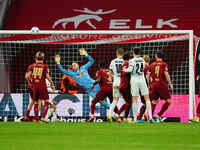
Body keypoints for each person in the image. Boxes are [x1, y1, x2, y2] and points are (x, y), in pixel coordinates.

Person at [124, 47, 154, 122]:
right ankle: (150, 117)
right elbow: (144, 68)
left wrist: (124, 70)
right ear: (139, 53)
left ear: (133, 53)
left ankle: (135, 118)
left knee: (134, 99)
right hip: (142, 80)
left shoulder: (131, 60)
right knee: (147, 98)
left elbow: (130, 69)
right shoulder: (143, 60)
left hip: (135, 80)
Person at [25, 51, 55, 122]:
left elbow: (27, 76)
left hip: (34, 86)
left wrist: (30, 82)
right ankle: (43, 117)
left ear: (35, 58)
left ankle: (35, 118)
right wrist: (52, 84)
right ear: (43, 58)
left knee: (35, 101)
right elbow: (47, 76)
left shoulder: (31, 66)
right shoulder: (45, 66)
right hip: (42, 85)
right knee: (46, 101)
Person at [149, 51, 173, 122]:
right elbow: (166, 74)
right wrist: (170, 83)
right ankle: (159, 115)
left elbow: (148, 76)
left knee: (154, 101)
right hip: (161, 84)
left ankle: (150, 117)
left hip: (153, 84)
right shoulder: (164, 64)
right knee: (168, 101)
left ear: (156, 56)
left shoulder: (152, 64)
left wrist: (149, 84)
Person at [108, 48, 124, 121]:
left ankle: (109, 115)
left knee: (115, 100)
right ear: (123, 54)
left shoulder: (113, 61)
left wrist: (111, 79)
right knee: (125, 100)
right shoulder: (125, 61)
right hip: (123, 82)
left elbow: (110, 72)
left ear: (117, 53)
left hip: (116, 82)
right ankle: (121, 116)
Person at [115, 52, 132, 122]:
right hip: (125, 86)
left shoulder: (123, 65)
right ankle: (118, 114)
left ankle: (124, 117)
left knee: (128, 102)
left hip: (122, 85)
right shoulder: (128, 64)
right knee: (129, 102)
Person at [137, 55, 151, 121]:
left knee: (145, 103)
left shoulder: (140, 66)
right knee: (147, 102)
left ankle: (141, 116)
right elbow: (148, 76)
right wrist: (149, 85)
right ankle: (144, 116)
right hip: (144, 86)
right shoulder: (147, 66)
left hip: (138, 85)